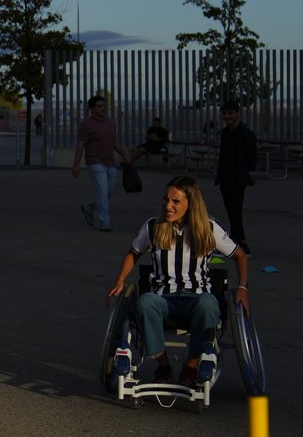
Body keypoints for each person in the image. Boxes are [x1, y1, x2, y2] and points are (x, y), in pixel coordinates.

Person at [106, 176, 249, 389]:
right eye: (166, 200)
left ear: (190, 203)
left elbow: (239, 255)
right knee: (145, 302)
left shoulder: (208, 228)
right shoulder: (154, 226)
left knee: (209, 303)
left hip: (197, 298)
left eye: (175, 201)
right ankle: (163, 367)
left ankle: (190, 367)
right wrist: (120, 279)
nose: (168, 206)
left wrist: (243, 286)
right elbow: (133, 253)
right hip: (164, 299)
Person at [72, 95, 131, 232]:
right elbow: (80, 145)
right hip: (94, 162)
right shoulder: (86, 125)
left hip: (110, 162)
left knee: (107, 192)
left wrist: (125, 154)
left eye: (103, 106)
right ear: (91, 109)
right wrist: (76, 165)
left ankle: (89, 208)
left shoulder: (110, 123)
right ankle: (105, 222)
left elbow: (114, 142)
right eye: (98, 106)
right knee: (102, 191)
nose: (102, 108)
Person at [216, 100, 258, 255]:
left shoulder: (245, 134)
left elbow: (252, 157)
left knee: (235, 211)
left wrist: (248, 173)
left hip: (238, 178)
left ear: (237, 113)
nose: (227, 116)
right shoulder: (225, 133)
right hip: (226, 178)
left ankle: (241, 243)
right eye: (225, 113)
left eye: (230, 113)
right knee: (231, 210)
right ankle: (235, 242)